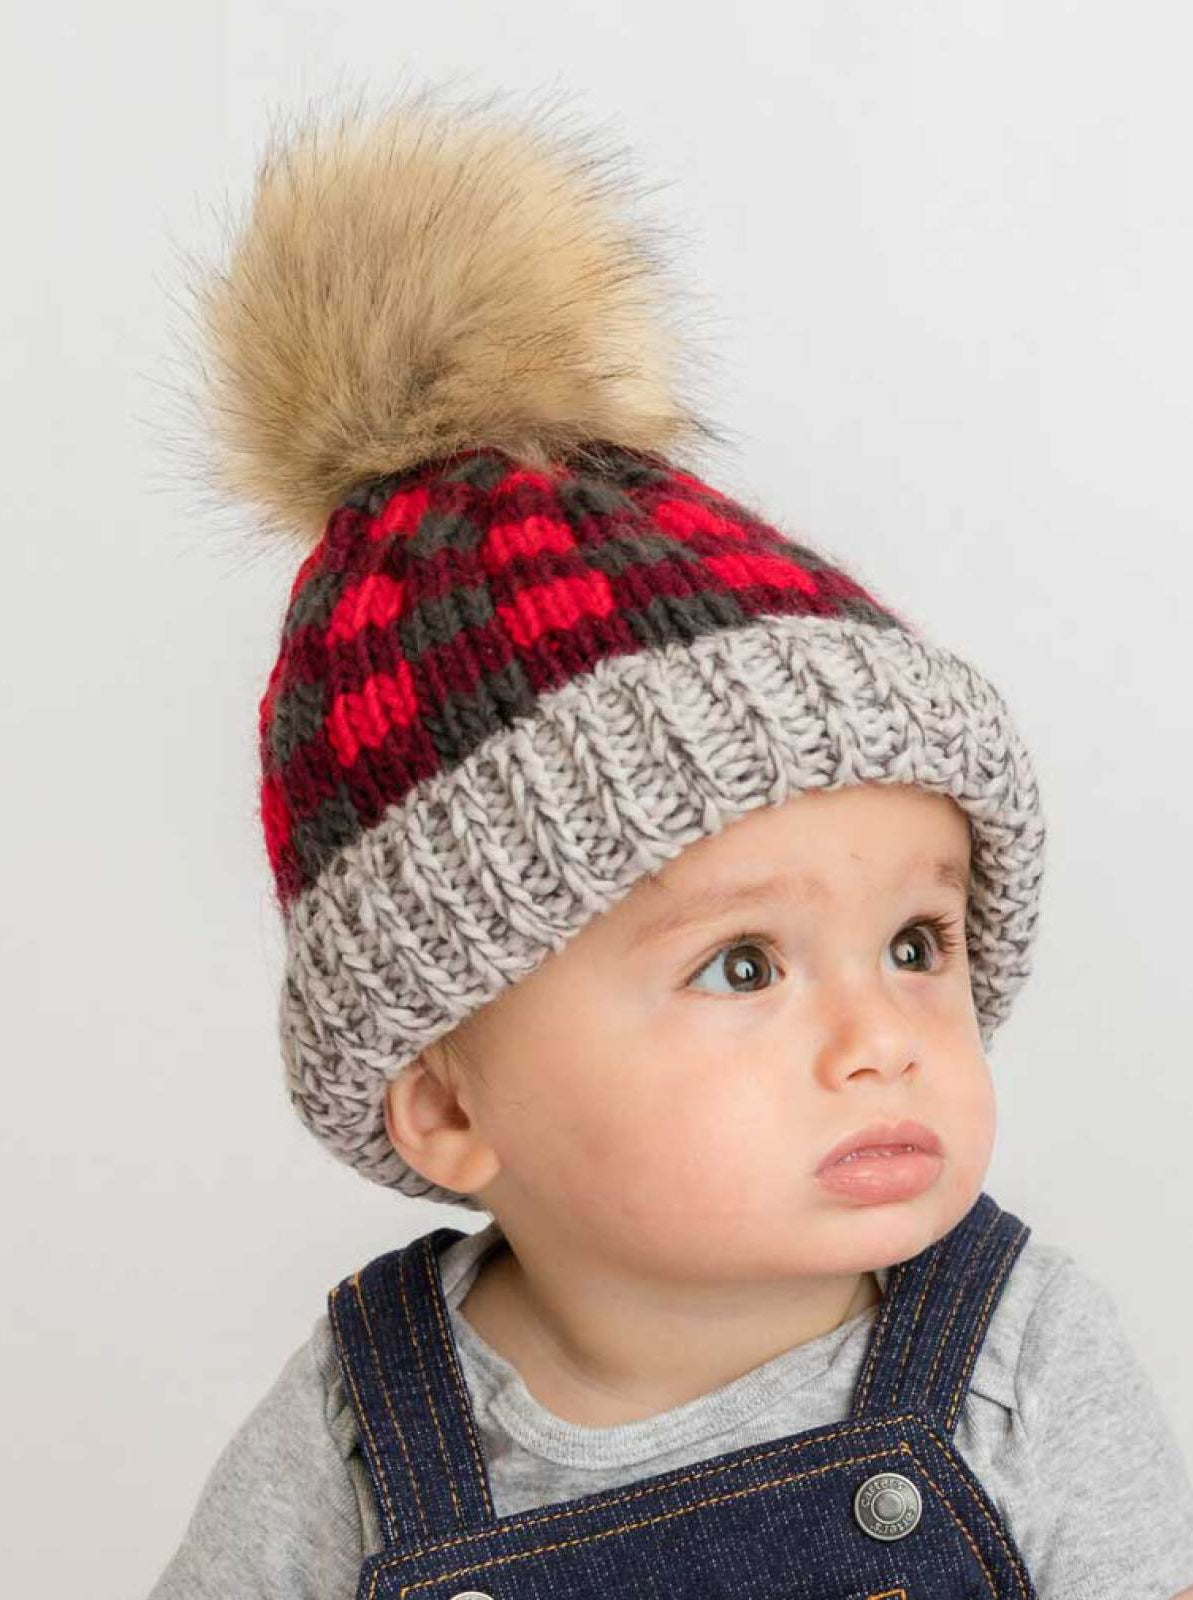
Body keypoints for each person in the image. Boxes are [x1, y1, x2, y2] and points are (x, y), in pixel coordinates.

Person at [148, 81, 1193, 1598]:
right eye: (743, 963)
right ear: (442, 1100)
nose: (878, 1041)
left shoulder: (1015, 1356)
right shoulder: (359, 1438)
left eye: (917, 943)